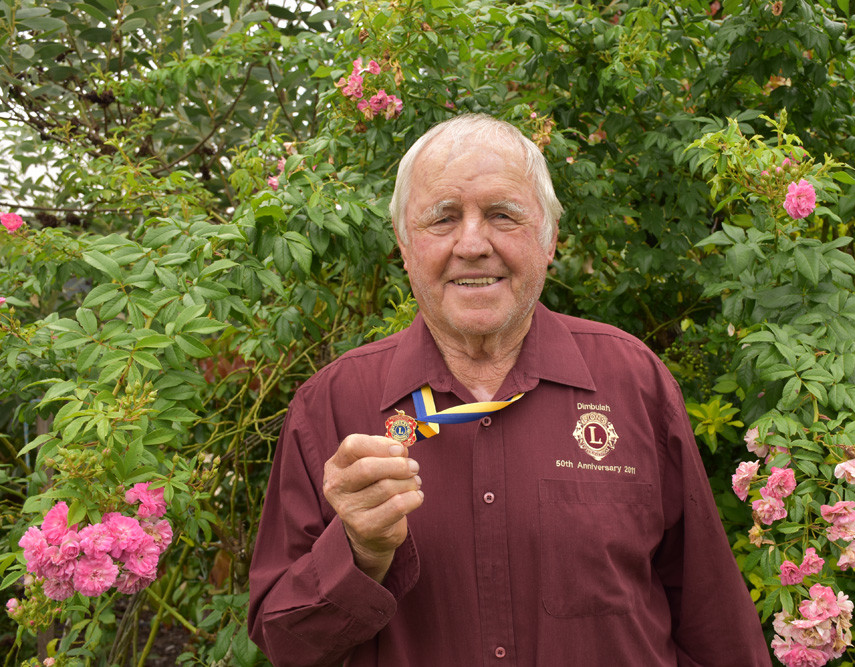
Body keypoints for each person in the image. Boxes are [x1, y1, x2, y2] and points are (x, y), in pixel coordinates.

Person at [248, 114, 771, 665]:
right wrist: (359, 552)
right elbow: (287, 643)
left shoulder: (633, 380)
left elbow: (712, 616)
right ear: (405, 244)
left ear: (548, 239)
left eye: (502, 215)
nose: (473, 244)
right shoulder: (331, 406)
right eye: (443, 219)